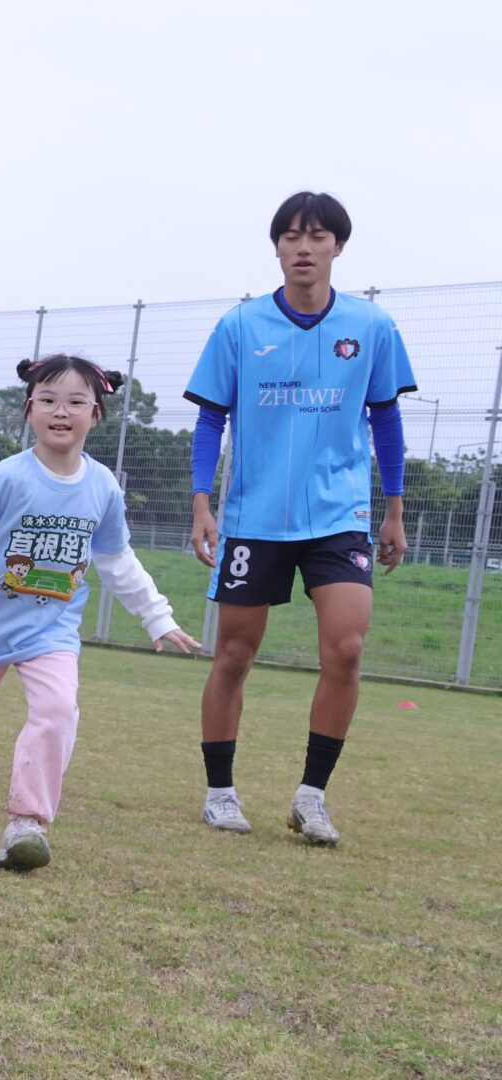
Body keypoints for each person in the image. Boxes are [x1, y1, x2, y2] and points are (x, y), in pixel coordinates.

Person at [0, 355, 199, 871]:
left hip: (51, 629)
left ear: (96, 415)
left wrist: (157, 616)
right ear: (29, 409)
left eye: (76, 402)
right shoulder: (3, 478)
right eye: (49, 400)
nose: (61, 411)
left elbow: (116, 559)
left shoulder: (103, 487)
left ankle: (27, 823)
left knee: (58, 710)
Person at [185, 191, 416, 846]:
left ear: (338, 246)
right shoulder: (240, 326)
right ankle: (220, 792)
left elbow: (386, 419)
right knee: (235, 652)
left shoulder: (371, 326)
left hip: (339, 515)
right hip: (255, 516)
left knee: (347, 647)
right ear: (278, 248)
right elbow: (210, 418)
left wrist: (394, 509)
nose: (303, 247)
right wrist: (202, 502)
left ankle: (311, 797)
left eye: (316, 236)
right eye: (290, 236)